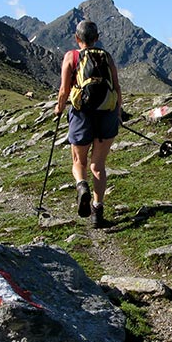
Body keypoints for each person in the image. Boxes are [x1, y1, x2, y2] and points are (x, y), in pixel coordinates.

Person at [54, 20, 122, 228]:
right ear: (97, 38)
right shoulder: (106, 57)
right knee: (98, 165)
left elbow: (64, 90)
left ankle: (81, 186)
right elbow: (117, 87)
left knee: (79, 160)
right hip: (106, 114)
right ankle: (97, 212)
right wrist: (117, 112)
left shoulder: (71, 57)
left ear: (77, 38)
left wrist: (59, 108)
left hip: (81, 114)